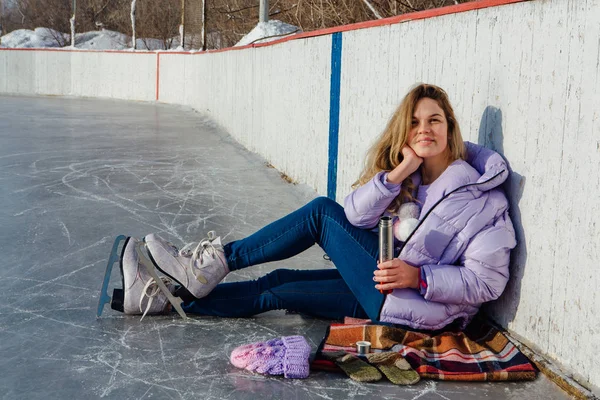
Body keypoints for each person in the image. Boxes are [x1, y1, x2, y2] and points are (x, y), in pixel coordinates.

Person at [113, 83, 516, 332]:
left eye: (435, 120)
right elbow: (356, 216)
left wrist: (419, 277)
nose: (425, 129)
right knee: (279, 285)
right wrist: (398, 173)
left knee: (321, 213)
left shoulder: (484, 198)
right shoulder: (408, 179)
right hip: (380, 287)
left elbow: (487, 282)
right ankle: (164, 298)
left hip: (417, 306)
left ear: (451, 128)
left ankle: (208, 266)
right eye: (414, 122)